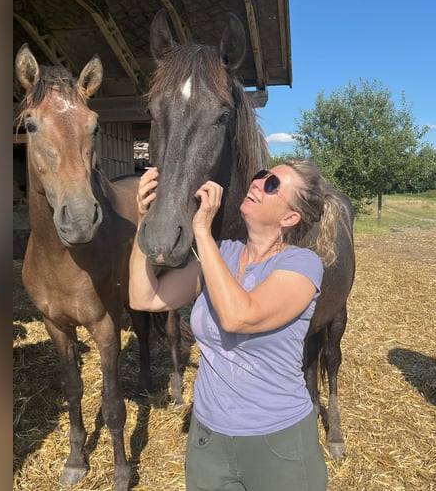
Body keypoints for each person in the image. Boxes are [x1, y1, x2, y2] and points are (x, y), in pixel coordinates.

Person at [130, 159, 342, 491]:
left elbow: (239, 316)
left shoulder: (302, 264)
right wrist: (144, 223)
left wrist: (202, 231)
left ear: (290, 218)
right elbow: (145, 298)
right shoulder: (222, 253)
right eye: (261, 176)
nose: (258, 183)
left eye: (272, 184)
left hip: (278, 443)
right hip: (208, 439)